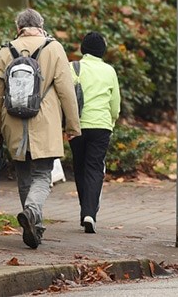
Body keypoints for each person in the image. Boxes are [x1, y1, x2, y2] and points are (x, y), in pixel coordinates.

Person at [0, 9, 81, 249]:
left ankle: (34, 227)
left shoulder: (6, 51)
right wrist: (72, 126)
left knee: (24, 175)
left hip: (13, 122)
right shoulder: (54, 48)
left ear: (18, 27)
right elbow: (66, 91)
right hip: (45, 121)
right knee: (42, 174)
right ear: (41, 25)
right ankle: (32, 212)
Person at [68, 32, 121, 234]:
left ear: (83, 49)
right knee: (94, 167)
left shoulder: (73, 67)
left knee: (80, 167)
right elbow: (115, 105)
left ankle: (85, 211)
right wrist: (111, 121)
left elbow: (66, 96)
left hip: (77, 125)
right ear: (102, 51)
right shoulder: (109, 71)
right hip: (101, 126)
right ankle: (90, 213)